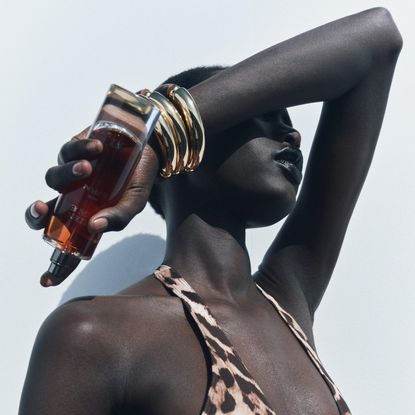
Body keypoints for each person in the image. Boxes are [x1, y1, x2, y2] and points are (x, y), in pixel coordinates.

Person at [20, 7, 402, 415]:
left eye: (287, 121)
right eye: (264, 118)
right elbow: (378, 42)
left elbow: (380, 39)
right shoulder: (94, 336)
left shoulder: (289, 303)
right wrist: (157, 134)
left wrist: (162, 131)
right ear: (186, 154)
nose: (292, 134)